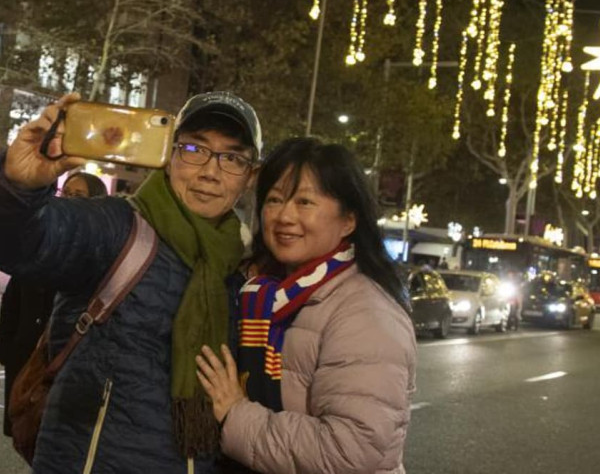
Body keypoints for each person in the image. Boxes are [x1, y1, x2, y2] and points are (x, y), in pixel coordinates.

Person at [0, 90, 262, 473]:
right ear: (169, 157)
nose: (210, 171)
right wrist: (18, 188)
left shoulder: (240, 272)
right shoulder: (117, 228)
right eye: (194, 149)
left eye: (233, 158)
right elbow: (25, 242)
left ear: (250, 177)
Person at [195, 137, 416, 474]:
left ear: (349, 221)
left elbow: (350, 450)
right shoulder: (260, 291)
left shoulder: (366, 312)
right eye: (274, 200)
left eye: (305, 202)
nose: (285, 216)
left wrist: (235, 415)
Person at [0, 171, 107, 437]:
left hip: (69, 366)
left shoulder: (102, 253)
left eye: (78, 195)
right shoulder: (42, 242)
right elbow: (13, 305)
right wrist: (6, 348)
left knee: (56, 439)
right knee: (23, 430)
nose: (68, 199)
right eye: (65, 193)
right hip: (25, 358)